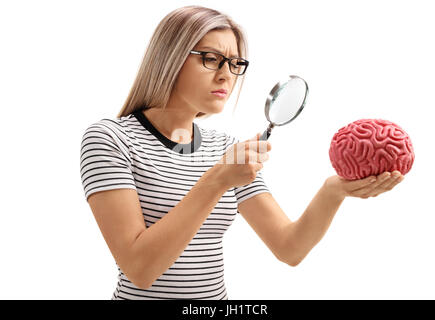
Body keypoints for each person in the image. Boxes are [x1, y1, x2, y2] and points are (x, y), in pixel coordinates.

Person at [79, 5, 404, 300]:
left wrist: (333, 192)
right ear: (170, 57)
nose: (226, 75)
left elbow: (289, 247)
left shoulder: (225, 149)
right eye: (210, 58)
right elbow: (141, 269)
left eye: (235, 63)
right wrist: (217, 180)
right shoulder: (110, 138)